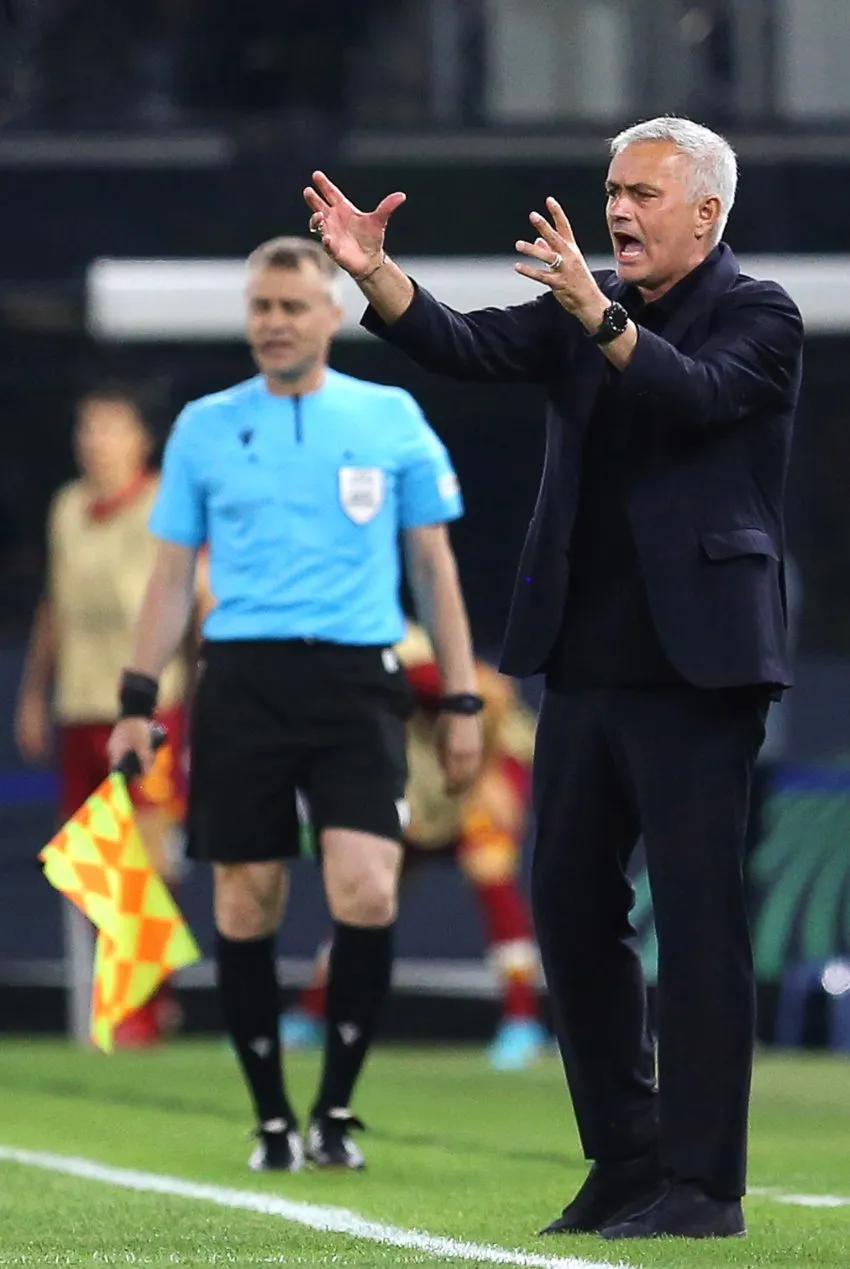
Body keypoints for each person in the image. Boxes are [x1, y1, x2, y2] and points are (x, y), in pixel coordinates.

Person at [303, 115, 804, 1238]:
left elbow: (696, 397)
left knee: (698, 919)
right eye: (611, 188)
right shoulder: (581, 309)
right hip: (584, 658)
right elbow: (463, 345)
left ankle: (703, 1185)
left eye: (641, 192)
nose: (617, 209)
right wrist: (376, 274)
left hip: (702, 670)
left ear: (706, 214)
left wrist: (601, 316)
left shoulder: (760, 313)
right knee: (570, 911)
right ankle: (625, 1157)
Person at [107, 236, 483, 1173]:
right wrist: (136, 696)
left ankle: (338, 1109)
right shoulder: (202, 426)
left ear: (330, 314)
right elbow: (168, 580)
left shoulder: (389, 415)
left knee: (367, 885)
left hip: (359, 677)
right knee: (245, 898)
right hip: (241, 679)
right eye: (260, 307)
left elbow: (433, 565)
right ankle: (273, 1116)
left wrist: (465, 696)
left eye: (291, 306)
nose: (273, 323)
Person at [281, 621, 547, 1071]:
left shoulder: (402, 659)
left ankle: (523, 1021)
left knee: (493, 883)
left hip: (481, 777)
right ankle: (310, 1015)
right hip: (419, 792)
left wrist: (485, 778)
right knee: (367, 897)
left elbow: (490, 694)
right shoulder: (326, 670)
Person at [15, 383, 193, 1047]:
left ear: (141, 439)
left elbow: (192, 598)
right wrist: (33, 693)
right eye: (87, 428)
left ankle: (148, 1004)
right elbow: (54, 606)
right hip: (80, 704)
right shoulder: (67, 506)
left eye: (110, 428)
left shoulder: (165, 504)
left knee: (148, 854)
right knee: (94, 858)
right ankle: (135, 994)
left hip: (149, 706)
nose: (95, 441)